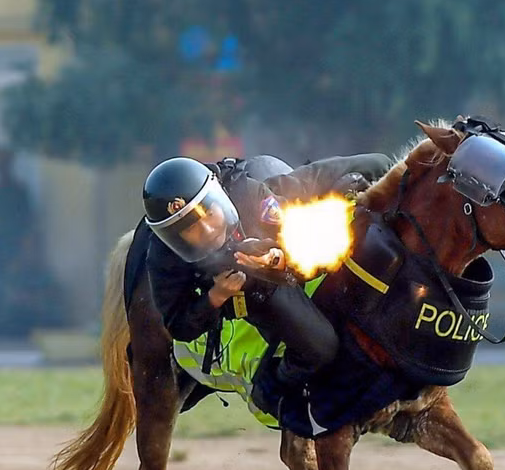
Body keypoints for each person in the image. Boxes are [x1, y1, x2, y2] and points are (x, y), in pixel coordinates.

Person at [142, 152, 393, 420]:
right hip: (250, 285)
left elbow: (304, 252)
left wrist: (276, 259)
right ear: (171, 236)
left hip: (268, 211)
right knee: (322, 348)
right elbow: (178, 325)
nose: (207, 230)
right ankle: (271, 392)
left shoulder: (251, 196)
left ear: (219, 197)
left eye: (209, 214)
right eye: (189, 229)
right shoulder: (164, 257)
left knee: (378, 164)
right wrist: (215, 297)